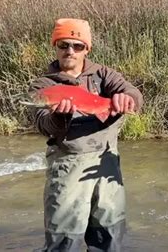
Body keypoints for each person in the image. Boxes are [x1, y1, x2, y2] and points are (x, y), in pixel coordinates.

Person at [30, 18, 143, 251]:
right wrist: (60, 117)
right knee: (64, 241)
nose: (70, 51)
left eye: (77, 45)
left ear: (86, 49)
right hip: (66, 165)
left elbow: (132, 93)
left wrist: (128, 99)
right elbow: (42, 124)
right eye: (63, 45)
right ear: (55, 47)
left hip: (106, 162)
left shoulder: (103, 74)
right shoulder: (42, 86)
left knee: (108, 236)